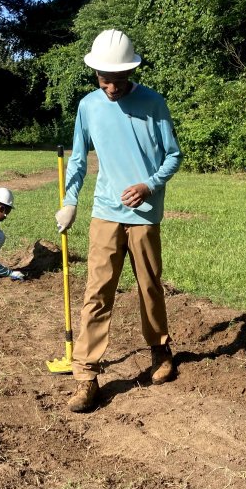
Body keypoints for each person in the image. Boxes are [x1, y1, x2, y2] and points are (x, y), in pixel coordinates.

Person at [55, 29, 183, 413]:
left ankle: (160, 352)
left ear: (131, 72)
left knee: (150, 287)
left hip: (144, 215)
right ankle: (86, 376)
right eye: (104, 79)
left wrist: (149, 186)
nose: (111, 87)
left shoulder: (153, 103)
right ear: (95, 73)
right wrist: (70, 202)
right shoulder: (88, 106)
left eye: (118, 79)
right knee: (97, 293)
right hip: (105, 213)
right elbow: (79, 159)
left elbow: (173, 156)